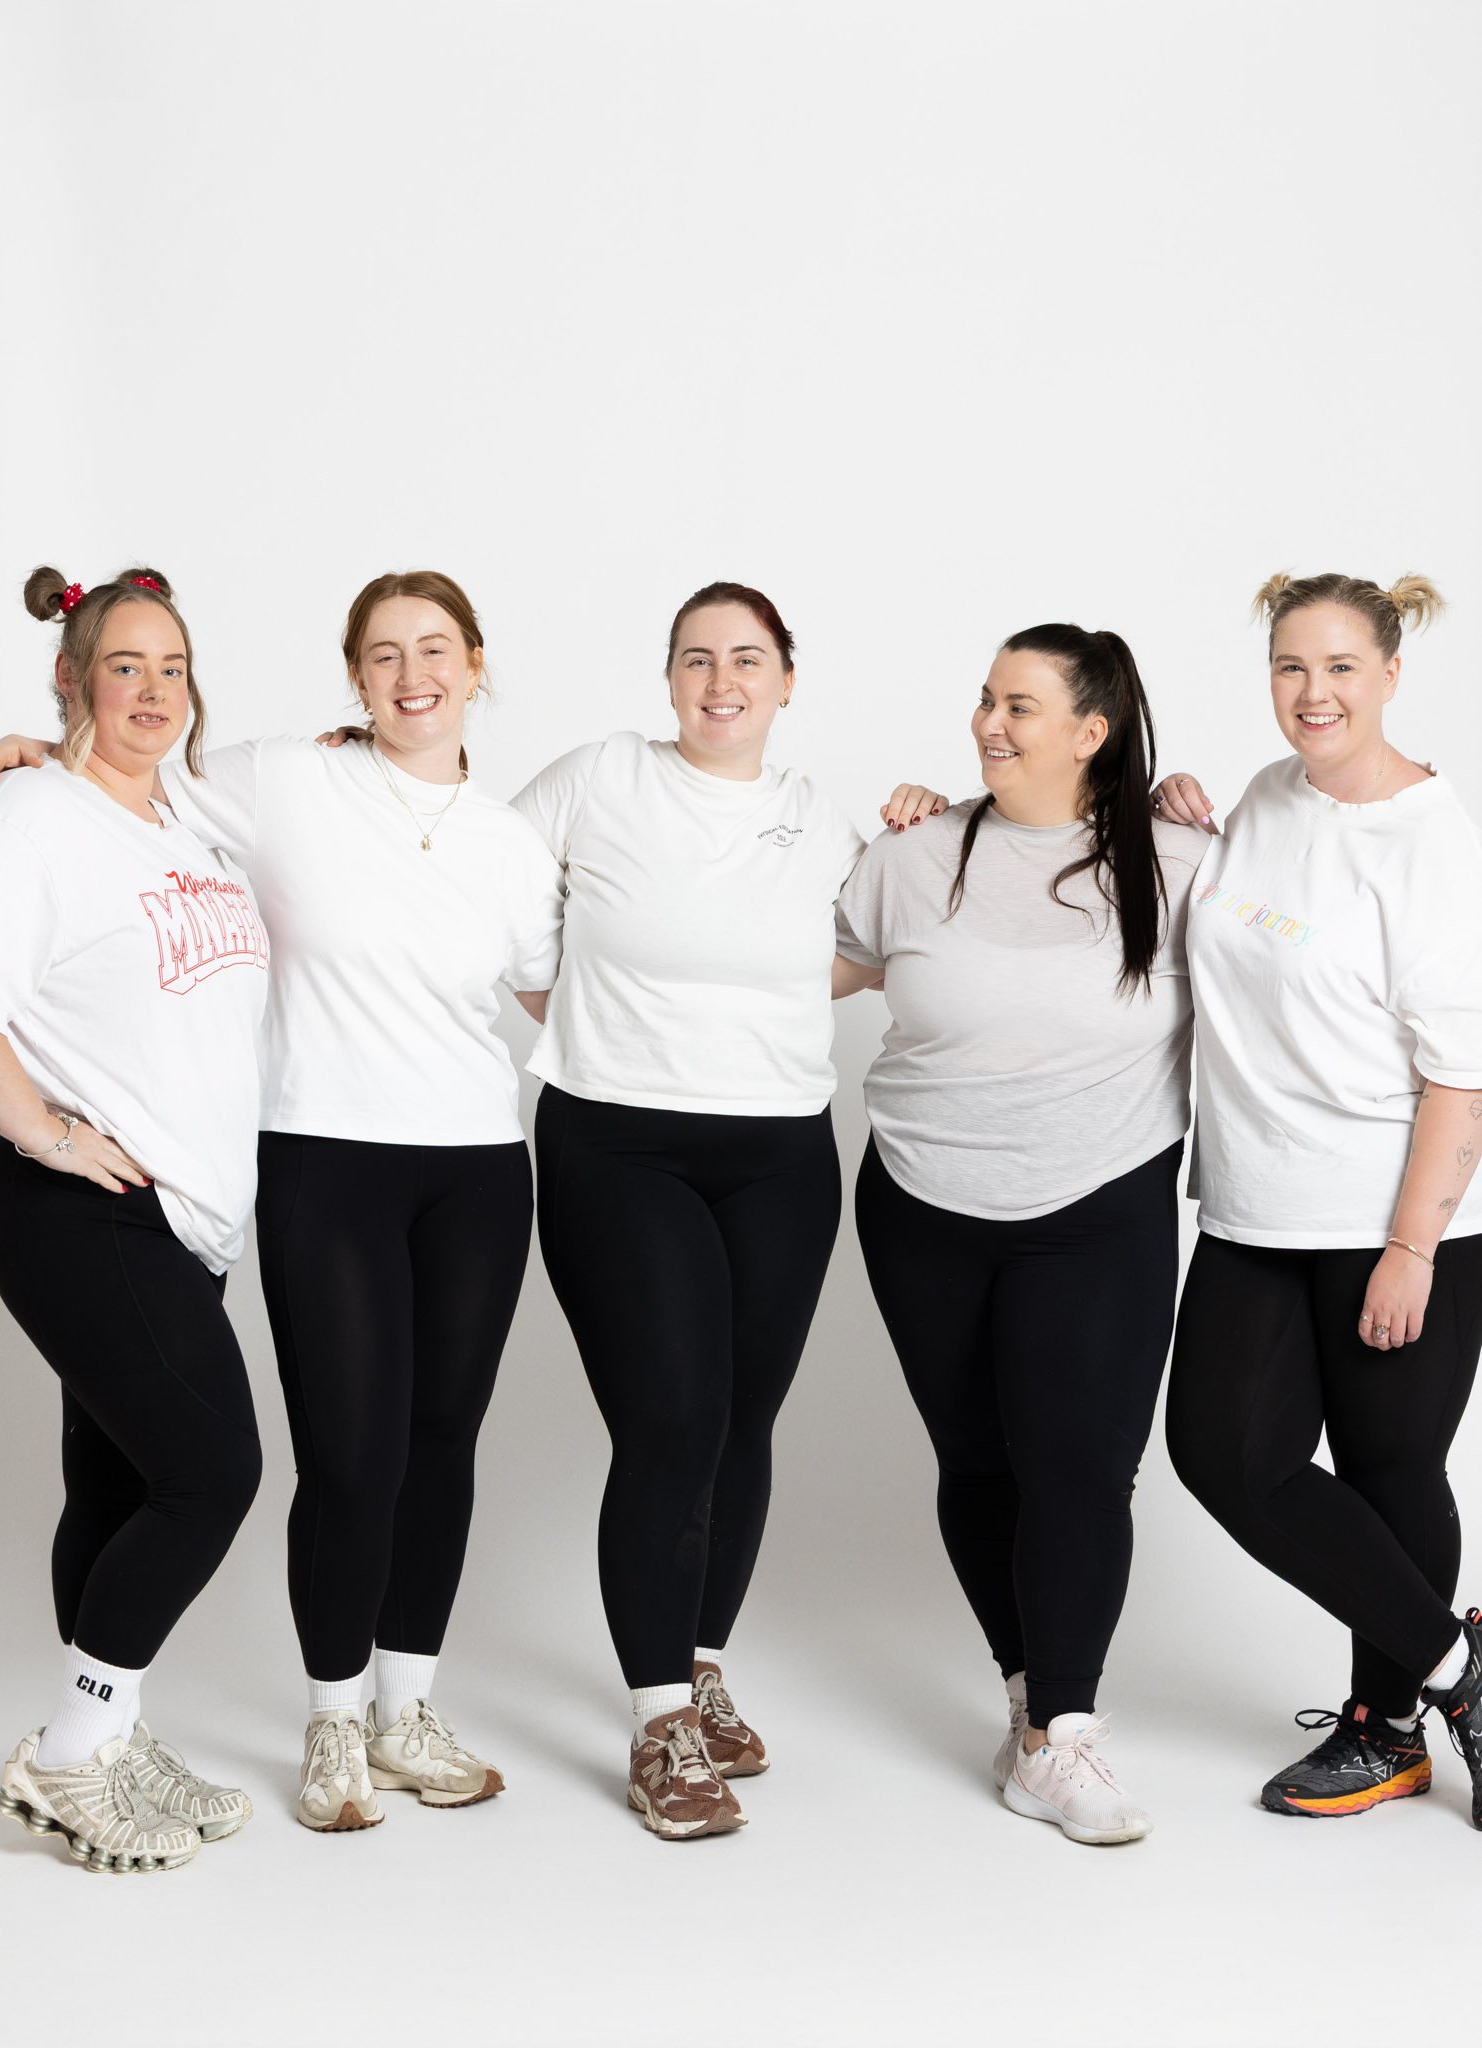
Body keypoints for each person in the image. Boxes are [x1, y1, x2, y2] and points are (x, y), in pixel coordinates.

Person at [510, 581, 938, 1839]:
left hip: (781, 1151)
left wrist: (919, 831)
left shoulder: (821, 820)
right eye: (696, 659)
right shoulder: (599, 776)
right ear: (669, 678)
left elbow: (876, 945)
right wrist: (580, 1012)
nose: (720, 681)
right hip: (616, 1142)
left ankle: (697, 1665)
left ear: (786, 680)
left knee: (742, 1418)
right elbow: (474, 878)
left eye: (746, 659)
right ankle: (658, 1725)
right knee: (673, 1417)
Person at [155, 570, 564, 1830]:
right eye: (383, 653)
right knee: (351, 1450)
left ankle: (406, 1710)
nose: (410, 674)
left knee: (440, 1442)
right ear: (355, 676)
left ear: (476, 664)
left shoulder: (509, 840)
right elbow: (135, 774)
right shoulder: (289, 777)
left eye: (434, 648)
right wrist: (28, 754)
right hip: (325, 1155)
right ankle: (333, 1719)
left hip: (478, 1167)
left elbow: (557, 994)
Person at [838, 623, 1201, 1844]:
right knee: (979, 1460)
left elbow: (1305, 956)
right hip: (919, 1200)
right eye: (986, 699)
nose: (989, 723)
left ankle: (1070, 1730)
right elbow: (779, 971)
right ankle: (1029, 1710)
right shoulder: (913, 854)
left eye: (1020, 706)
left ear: (1093, 731)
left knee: (1081, 1466)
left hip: (1098, 1202)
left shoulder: (1182, 861)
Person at [1157, 572, 1482, 1826]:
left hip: (1391, 1216)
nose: (1313, 691)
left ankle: (1386, 1727)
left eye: (1341, 666)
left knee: (1392, 1469)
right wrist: (1179, 822)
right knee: (1224, 1454)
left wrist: (1412, 1246)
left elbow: (1463, 1072)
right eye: (1291, 665)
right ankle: (1463, 1675)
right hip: (1252, 1205)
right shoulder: (1264, 795)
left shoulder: (1432, 841)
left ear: (1391, 673)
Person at [0, 567, 267, 1874]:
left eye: (173, 667)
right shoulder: (37, 816)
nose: (154, 691)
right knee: (212, 1472)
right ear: (72, 678)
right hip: (80, 1200)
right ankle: (66, 1753)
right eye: (125, 666)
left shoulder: (183, 818)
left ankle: (104, 1735)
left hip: (184, 1213)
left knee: (115, 1478)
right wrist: (43, 1132)